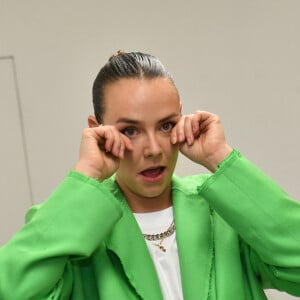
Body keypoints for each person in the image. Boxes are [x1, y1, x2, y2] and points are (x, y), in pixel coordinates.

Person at [0, 51, 300, 300]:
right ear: (96, 129)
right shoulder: (72, 229)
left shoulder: (224, 213)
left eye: (166, 125)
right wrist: (87, 173)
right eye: (130, 130)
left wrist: (218, 157)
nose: (154, 149)